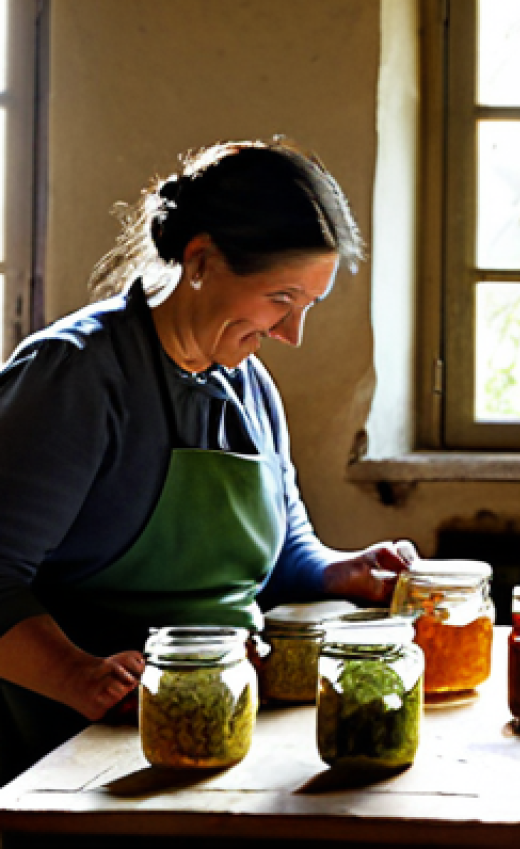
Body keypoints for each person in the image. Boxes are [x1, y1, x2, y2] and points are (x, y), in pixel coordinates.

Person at [0, 139, 416, 783]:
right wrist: (76, 676)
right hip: (75, 749)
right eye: (281, 299)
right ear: (200, 260)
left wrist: (342, 571)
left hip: (221, 724)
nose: (291, 334)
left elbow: (282, 553)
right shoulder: (76, 375)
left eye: (307, 306)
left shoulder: (250, 387)